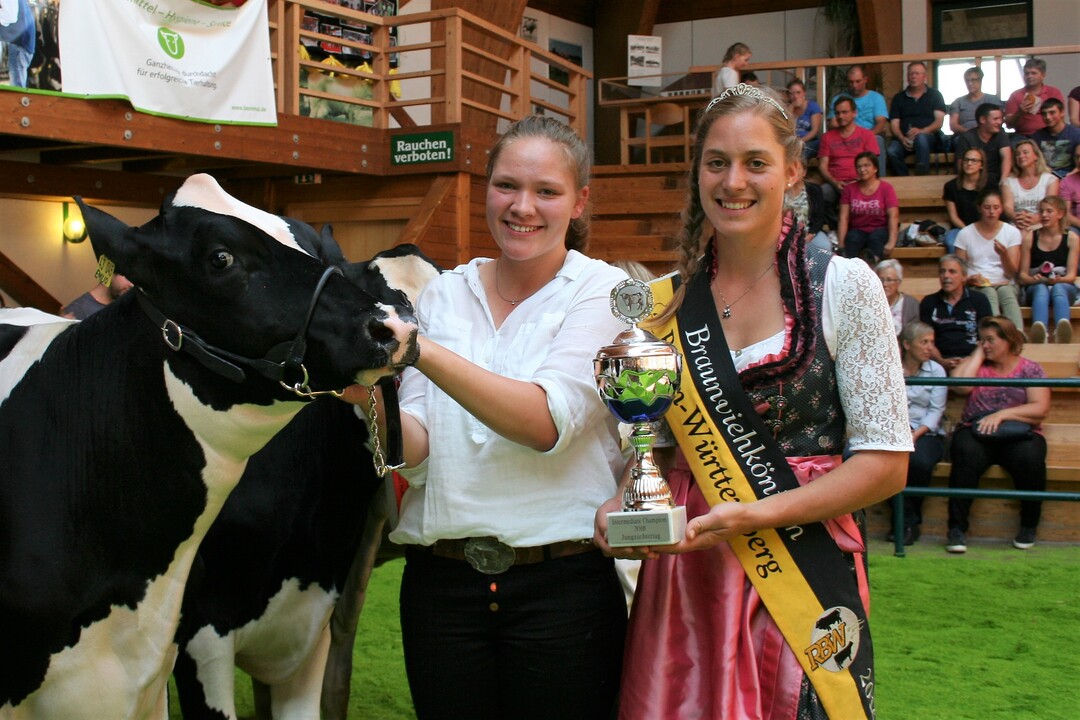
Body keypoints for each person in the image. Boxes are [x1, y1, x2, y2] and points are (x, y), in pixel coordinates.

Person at [596, 82, 910, 720]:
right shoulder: (663, 304)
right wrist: (622, 506)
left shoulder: (845, 284)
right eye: (717, 162)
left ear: (792, 170)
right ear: (698, 173)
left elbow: (886, 462)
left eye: (755, 162)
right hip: (690, 571)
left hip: (800, 561)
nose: (733, 181)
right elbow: (650, 451)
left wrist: (754, 515)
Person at [354, 116, 630, 720]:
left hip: (563, 588)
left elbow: (547, 423)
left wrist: (419, 352)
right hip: (441, 587)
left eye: (547, 191)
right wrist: (364, 386)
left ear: (579, 201)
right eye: (506, 186)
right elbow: (418, 455)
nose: (522, 207)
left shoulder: (603, 292)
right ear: (485, 189)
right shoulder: (442, 294)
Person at [945, 316, 1050, 553]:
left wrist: (1002, 414)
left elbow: (1039, 408)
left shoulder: (1030, 368)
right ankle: (957, 529)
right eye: (982, 340)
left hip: (1019, 431)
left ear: (1009, 340)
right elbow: (960, 386)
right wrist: (978, 355)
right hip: (976, 431)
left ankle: (1028, 526)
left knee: (1031, 457)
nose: (985, 345)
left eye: (990, 340)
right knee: (964, 452)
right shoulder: (977, 364)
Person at [891, 320, 947, 546]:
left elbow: (936, 410)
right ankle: (904, 520)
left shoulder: (937, 370)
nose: (929, 348)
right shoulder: (890, 366)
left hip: (926, 432)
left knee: (920, 463)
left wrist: (916, 434)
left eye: (931, 343)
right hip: (894, 429)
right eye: (923, 342)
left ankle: (908, 521)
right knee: (881, 463)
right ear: (906, 344)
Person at [954, 187, 1023, 331]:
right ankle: (995, 334)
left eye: (996, 207)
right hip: (978, 283)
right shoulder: (965, 234)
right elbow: (958, 271)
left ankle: (1017, 334)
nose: (991, 212)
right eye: (987, 207)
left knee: (1007, 293)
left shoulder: (1011, 232)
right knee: (989, 293)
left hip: (1004, 281)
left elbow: (1011, 273)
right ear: (979, 208)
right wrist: (969, 279)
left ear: (1001, 209)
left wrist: (1003, 254)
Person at [1018, 196, 1079, 344]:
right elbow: (1022, 276)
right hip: (1037, 285)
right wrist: (1034, 279)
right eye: (1041, 211)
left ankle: (1062, 330)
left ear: (1060, 214)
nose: (1044, 215)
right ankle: (1040, 332)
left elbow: (1071, 276)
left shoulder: (1071, 238)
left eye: (1049, 211)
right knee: (1041, 289)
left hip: (1063, 285)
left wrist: (1059, 279)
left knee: (1058, 288)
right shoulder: (1030, 238)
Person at [919, 254, 993, 370]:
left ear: (964, 277)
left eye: (952, 272)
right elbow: (925, 339)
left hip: (974, 362)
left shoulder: (979, 300)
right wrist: (942, 362)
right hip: (937, 362)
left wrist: (969, 360)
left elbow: (986, 337)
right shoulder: (929, 302)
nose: (946, 276)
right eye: (942, 272)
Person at [816, 96, 879, 229]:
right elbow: (822, 166)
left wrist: (858, 181)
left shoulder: (867, 135)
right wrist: (835, 182)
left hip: (860, 182)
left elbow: (872, 164)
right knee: (821, 194)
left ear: (854, 113)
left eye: (845, 112)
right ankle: (836, 230)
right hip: (836, 184)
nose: (840, 116)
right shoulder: (827, 137)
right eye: (837, 113)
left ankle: (856, 231)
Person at [826, 64, 889, 177]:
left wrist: (865, 136)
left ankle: (880, 180)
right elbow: (833, 123)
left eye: (858, 81)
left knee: (877, 140)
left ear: (865, 80)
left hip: (869, 135)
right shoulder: (838, 99)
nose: (854, 85)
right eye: (851, 82)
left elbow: (881, 122)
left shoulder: (876, 97)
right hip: (845, 136)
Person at [887, 61, 947, 176]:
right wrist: (901, 138)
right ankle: (905, 180)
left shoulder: (935, 95)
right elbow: (894, 124)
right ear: (907, 77)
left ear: (924, 76)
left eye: (917, 73)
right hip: (904, 138)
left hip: (929, 138)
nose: (913, 76)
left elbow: (939, 122)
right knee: (892, 151)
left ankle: (922, 176)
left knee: (921, 139)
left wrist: (922, 131)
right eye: (910, 74)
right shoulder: (899, 98)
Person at [838, 151, 899, 263]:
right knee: (852, 239)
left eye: (867, 165)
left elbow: (893, 216)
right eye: (859, 166)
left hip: (879, 228)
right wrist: (841, 244)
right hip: (857, 229)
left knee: (876, 240)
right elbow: (843, 217)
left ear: (875, 168)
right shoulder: (849, 189)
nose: (862, 169)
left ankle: (873, 270)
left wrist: (892, 242)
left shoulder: (886, 188)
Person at [1001, 138, 1060, 233]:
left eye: (1025, 152)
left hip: (1042, 224)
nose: (1021, 156)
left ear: (1036, 156)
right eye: (1018, 154)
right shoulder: (1008, 182)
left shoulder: (1050, 180)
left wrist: (1038, 217)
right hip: (1016, 225)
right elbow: (1008, 206)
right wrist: (1016, 217)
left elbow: (1050, 206)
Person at [951, 103, 1013, 187]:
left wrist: (1003, 181)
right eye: (996, 119)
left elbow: (1006, 157)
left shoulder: (1001, 134)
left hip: (996, 180)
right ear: (983, 119)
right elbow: (960, 166)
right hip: (974, 181)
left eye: (1001, 119)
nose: (1000, 122)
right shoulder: (967, 138)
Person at [1004, 57, 1065, 138]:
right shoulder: (1015, 95)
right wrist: (1020, 112)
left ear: (1043, 75)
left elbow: (1061, 117)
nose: (1029, 76)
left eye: (1033, 73)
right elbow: (1009, 125)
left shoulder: (1054, 92)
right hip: (1024, 136)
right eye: (1026, 73)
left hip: (1049, 134)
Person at [943, 147, 988, 253]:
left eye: (974, 160)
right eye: (966, 160)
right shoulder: (951, 186)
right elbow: (953, 216)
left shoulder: (989, 185)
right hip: (961, 228)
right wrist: (969, 231)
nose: (969, 163)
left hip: (985, 226)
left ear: (981, 165)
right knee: (951, 241)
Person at [1030, 98, 1080, 178]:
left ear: (1062, 112)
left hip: (1071, 177)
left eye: (1052, 113)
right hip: (1046, 177)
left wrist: (1073, 174)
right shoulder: (1036, 137)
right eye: (1044, 114)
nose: (1048, 117)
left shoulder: (1076, 134)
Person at [948, 66, 1003, 135]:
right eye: (967, 80)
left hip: (990, 135)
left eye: (973, 80)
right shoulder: (958, 102)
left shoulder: (993, 100)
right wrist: (971, 134)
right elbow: (953, 125)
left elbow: (999, 120)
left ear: (980, 80)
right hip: (965, 136)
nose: (970, 83)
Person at [60, 273, 134, 320]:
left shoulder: (116, 310)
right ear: (111, 274)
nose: (131, 285)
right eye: (128, 277)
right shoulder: (78, 310)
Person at [876, 259, 919, 337]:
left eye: (889, 280)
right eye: (880, 280)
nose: (884, 284)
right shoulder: (870, 303)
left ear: (898, 282)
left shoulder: (911, 304)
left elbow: (914, 336)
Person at [0, 0, 35, 89]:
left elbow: (10, 16)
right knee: (18, 85)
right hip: (21, 41)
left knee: (17, 89)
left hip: (20, 42)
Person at [786, 78, 822, 159]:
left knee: (800, 154)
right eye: (792, 93)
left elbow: (815, 131)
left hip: (810, 141)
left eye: (798, 92)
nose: (795, 96)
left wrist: (800, 141)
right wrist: (791, 108)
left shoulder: (813, 106)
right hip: (792, 142)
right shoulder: (787, 109)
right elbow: (785, 129)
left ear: (804, 93)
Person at [1060, 145, 1080, 234]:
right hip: (1078, 227)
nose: (1079, 161)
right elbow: (1065, 214)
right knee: (1070, 233)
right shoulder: (1067, 181)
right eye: (1077, 157)